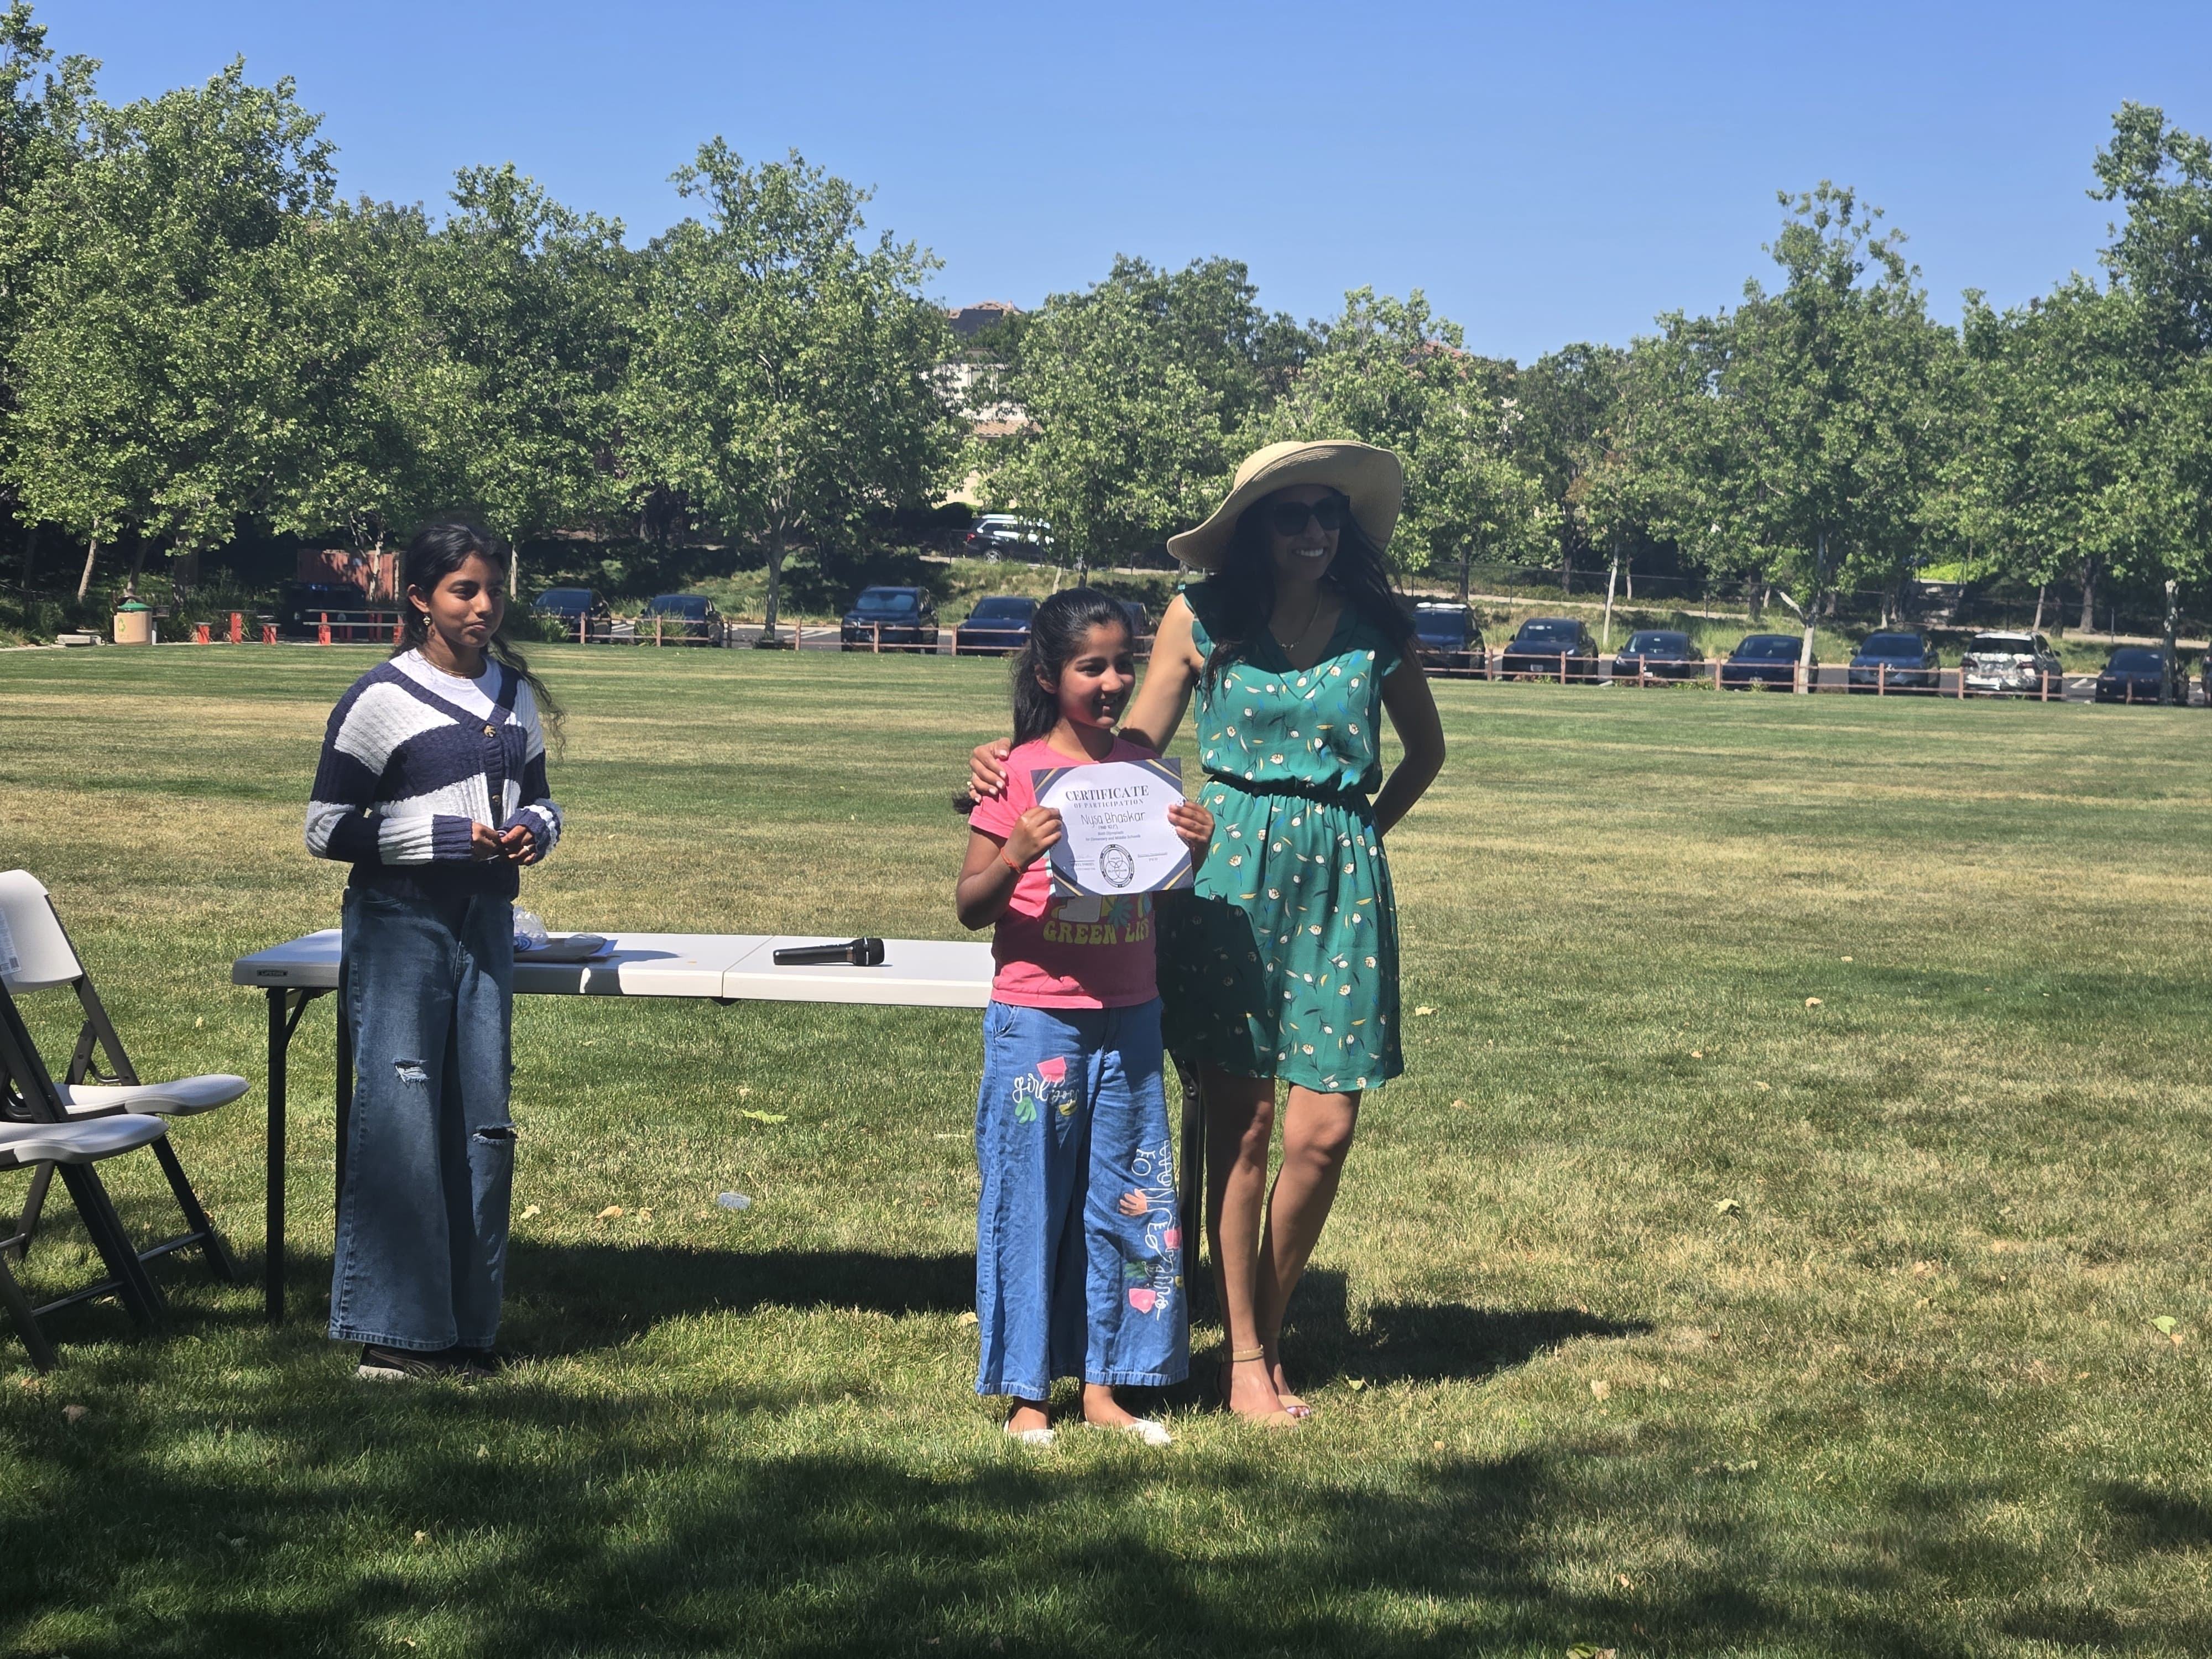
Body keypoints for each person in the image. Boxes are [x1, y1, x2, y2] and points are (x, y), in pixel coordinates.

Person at [971, 440, 1445, 1425]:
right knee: (1245, 1124)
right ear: (1254, 528)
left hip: (1340, 887)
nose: (1314, 531)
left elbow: (1426, 753)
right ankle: (1245, 1361)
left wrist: (1354, 838)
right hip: (1224, 877)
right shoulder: (1202, 614)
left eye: (1328, 515)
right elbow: (1125, 746)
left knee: (1325, 1132)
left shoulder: (1377, 628)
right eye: (1292, 514)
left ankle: (1259, 1331)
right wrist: (1012, 757)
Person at [304, 520, 563, 1381]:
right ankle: (391, 1335)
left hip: (486, 927)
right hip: (400, 927)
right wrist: (446, 839)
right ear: (420, 600)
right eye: (463, 591)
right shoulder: (381, 699)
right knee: (403, 1121)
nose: (484, 607)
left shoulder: (514, 694)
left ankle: (465, 1330)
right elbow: (327, 827)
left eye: (492, 590)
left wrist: (532, 831)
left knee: (483, 1126)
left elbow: (545, 801)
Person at [956, 587, 1215, 1444]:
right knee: (1031, 1198)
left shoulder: (1142, 767)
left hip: (1131, 1016)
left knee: (1130, 1198)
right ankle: (1028, 1392)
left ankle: (1110, 1386)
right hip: (1039, 1019)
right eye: (1089, 665)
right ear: (1049, 674)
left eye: (1121, 664)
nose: (1110, 681)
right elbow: (969, 903)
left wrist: (1191, 847)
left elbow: (1151, 887)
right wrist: (1018, 853)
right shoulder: (1017, 770)